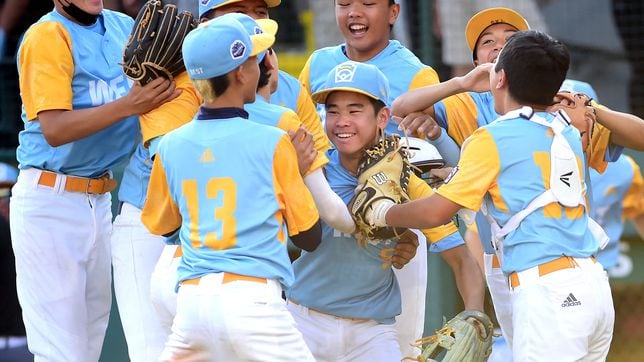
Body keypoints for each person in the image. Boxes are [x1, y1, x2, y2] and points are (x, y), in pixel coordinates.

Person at [374, 30, 615, 361]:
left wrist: (383, 212)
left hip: (549, 291)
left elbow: (435, 214)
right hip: (594, 288)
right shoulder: (568, 131)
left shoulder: (491, 138)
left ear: (499, 78)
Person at [141, 13, 320, 361]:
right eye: (253, 60)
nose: (260, 67)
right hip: (253, 301)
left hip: (191, 303)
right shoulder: (274, 141)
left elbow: (163, 225)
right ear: (240, 72)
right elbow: (310, 237)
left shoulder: (171, 145)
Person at [9, 1, 178, 361]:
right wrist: (130, 105)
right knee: (60, 351)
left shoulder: (121, 26)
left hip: (99, 199)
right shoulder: (47, 35)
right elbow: (54, 129)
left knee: (89, 343)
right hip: (49, 200)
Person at [286, 60, 485, 361]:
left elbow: (462, 259)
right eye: (333, 111)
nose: (341, 121)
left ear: (382, 117)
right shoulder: (313, 169)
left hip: (372, 332)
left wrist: (474, 315)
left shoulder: (405, 180)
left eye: (355, 110)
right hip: (304, 321)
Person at [299, 1, 458, 351]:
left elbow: (434, 164)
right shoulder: (318, 64)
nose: (354, 12)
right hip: (327, 224)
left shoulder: (418, 74)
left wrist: (404, 231)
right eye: (344, 4)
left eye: (368, 3)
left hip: (390, 236)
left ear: (393, 13)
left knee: (402, 347)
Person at [199, 0, 330, 155]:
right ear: (205, 25)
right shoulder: (191, 86)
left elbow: (321, 160)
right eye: (239, 13)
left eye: (261, 12)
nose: (253, 22)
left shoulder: (291, 88)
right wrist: (286, 167)